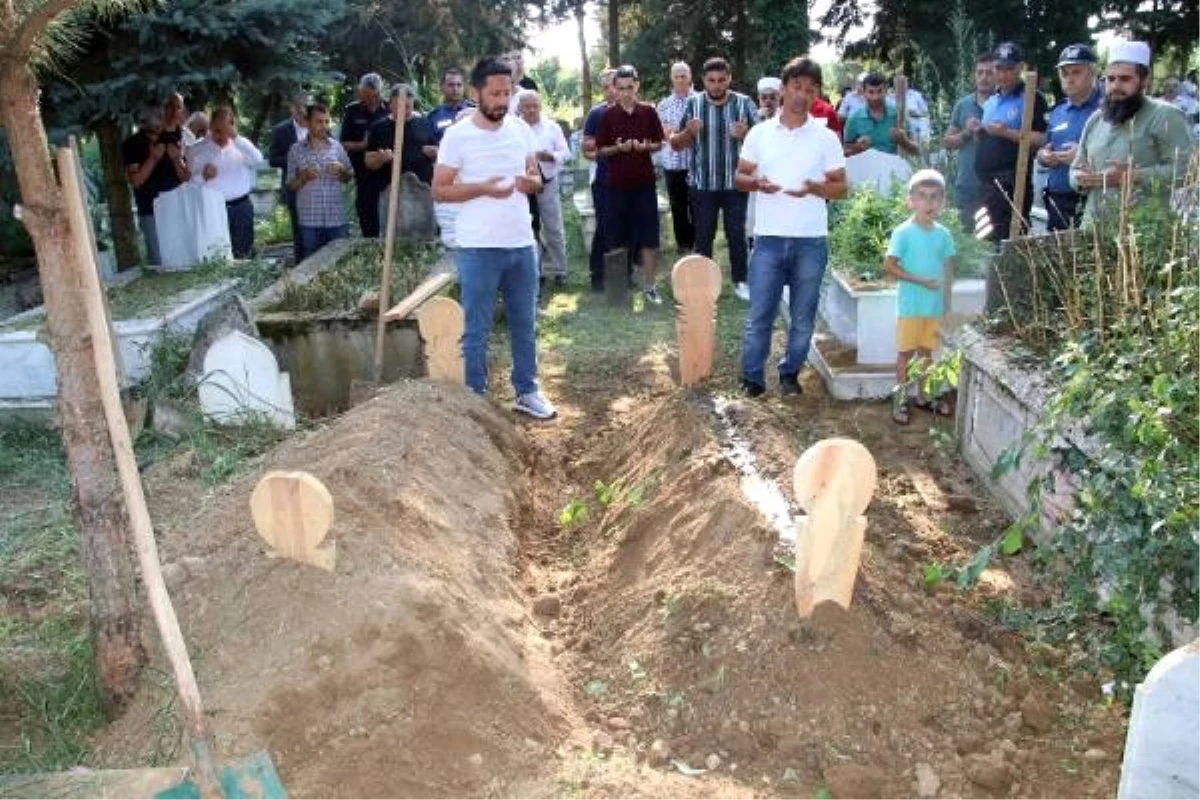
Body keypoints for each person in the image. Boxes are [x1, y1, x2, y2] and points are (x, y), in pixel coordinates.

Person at [432, 56, 556, 420]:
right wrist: (483, 188)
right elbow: (440, 190)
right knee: (477, 327)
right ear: (476, 93)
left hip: (521, 243)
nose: (503, 100)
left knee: (525, 323)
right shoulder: (457, 136)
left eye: (508, 92)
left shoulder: (519, 129)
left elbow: (535, 178)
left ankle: (527, 390)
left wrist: (527, 183)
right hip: (478, 247)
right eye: (496, 93)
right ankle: (475, 398)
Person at [734, 56, 847, 398]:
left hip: (811, 240)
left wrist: (814, 188)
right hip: (768, 239)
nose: (802, 95)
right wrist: (758, 185)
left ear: (817, 95)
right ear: (783, 89)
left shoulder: (826, 137)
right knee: (760, 316)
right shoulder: (760, 133)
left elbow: (841, 188)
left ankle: (789, 375)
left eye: (810, 89)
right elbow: (739, 177)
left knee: (802, 319)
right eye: (796, 87)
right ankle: (752, 378)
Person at [1071, 41, 1194, 225]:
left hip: (1143, 233)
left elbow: (1187, 172)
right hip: (1094, 230)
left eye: (1125, 79)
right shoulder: (1096, 119)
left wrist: (1133, 176)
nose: (1115, 86)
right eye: (1110, 79)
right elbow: (1075, 168)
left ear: (1145, 80)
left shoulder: (1165, 115)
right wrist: (1081, 179)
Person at [670, 56, 758, 300]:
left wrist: (746, 134)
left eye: (722, 80)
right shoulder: (693, 104)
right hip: (702, 184)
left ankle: (741, 281)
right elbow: (676, 144)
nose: (717, 85)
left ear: (729, 79)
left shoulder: (744, 103)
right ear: (703, 81)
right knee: (703, 235)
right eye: (712, 80)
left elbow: (763, 142)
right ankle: (703, 285)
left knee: (736, 234)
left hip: (735, 183)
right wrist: (689, 131)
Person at [883, 169, 956, 424]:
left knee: (926, 353)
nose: (929, 203)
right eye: (923, 197)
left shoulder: (943, 234)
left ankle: (924, 397)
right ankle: (901, 399)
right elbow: (889, 266)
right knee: (905, 354)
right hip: (911, 306)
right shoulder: (903, 232)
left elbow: (947, 268)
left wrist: (947, 303)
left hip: (933, 308)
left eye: (935, 197)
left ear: (943, 202)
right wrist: (920, 281)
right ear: (911, 201)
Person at [596, 65, 666, 304]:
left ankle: (649, 286)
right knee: (616, 237)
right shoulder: (607, 115)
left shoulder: (648, 112)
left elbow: (659, 143)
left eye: (630, 87)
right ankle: (618, 291)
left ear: (637, 86)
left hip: (644, 185)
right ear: (614, 88)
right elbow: (600, 150)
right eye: (621, 88)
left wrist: (646, 146)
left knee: (649, 236)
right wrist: (618, 148)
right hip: (615, 186)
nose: (626, 92)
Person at [975, 42, 1048, 242]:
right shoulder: (992, 100)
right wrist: (980, 130)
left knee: (1010, 240)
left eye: (1009, 69)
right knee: (985, 239)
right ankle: (989, 274)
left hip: (1011, 183)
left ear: (1020, 68)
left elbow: (1042, 138)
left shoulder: (1031, 97)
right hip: (985, 184)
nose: (1003, 74)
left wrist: (1007, 132)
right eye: (999, 68)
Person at [1037, 44, 1101, 231]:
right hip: (1057, 198)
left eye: (1076, 72)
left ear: (1092, 73)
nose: (1069, 79)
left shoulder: (1107, 109)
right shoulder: (1058, 111)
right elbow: (1045, 146)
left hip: (1091, 199)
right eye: (1065, 73)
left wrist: (1081, 157)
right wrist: (1043, 156)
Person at [186, 107, 264, 258]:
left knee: (244, 253)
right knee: (216, 254)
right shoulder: (197, 150)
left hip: (241, 206)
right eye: (217, 130)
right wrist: (203, 176)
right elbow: (191, 185)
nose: (221, 136)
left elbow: (258, 160)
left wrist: (235, 138)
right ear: (210, 127)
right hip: (212, 208)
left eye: (225, 130)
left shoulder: (241, 145)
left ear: (232, 126)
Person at [365, 85, 437, 234]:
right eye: (399, 106)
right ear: (390, 104)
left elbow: (441, 154)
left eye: (408, 106)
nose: (403, 110)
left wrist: (435, 152)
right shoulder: (378, 128)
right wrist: (380, 158)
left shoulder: (426, 124)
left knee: (424, 242)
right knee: (391, 239)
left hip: (422, 195)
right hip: (390, 195)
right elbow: (368, 162)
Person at [122, 103, 189, 265]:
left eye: (163, 116)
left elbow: (188, 177)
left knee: (184, 255)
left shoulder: (178, 137)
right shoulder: (132, 144)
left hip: (179, 206)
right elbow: (136, 181)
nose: (163, 120)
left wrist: (176, 159)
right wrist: (153, 158)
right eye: (158, 117)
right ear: (144, 122)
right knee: (160, 260)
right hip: (150, 209)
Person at [286, 103, 354, 262]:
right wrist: (303, 177)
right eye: (319, 121)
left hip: (336, 219)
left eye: (326, 121)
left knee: (341, 265)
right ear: (307, 123)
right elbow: (290, 184)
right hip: (310, 222)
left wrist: (342, 171)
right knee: (311, 267)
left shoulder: (337, 147)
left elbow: (350, 176)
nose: (324, 126)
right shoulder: (295, 150)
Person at [517, 90, 572, 287]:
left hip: (548, 182)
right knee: (530, 228)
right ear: (520, 108)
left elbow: (566, 152)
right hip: (523, 186)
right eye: (527, 106)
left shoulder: (551, 127)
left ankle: (560, 270)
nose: (531, 110)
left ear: (540, 106)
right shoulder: (515, 128)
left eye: (535, 106)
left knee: (553, 227)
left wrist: (552, 156)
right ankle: (536, 271)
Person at [944, 53, 995, 230]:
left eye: (989, 72)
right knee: (966, 242)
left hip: (995, 187)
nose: (984, 78)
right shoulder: (963, 104)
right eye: (980, 72)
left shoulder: (1003, 103)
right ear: (973, 75)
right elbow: (948, 143)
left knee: (992, 244)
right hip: (966, 184)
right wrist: (966, 132)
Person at [582, 68, 619, 291]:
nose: (610, 91)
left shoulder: (636, 111)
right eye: (605, 87)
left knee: (625, 227)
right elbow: (586, 149)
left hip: (631, 179)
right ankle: (598, 276)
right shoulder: (596, 114)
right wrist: (607, 151)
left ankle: (622, 275)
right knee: (604, 227)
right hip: (604, 179)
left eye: (613, 85)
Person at [340, 73, 390, 237]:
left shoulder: (390, 109)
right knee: (367, 215)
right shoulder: (352, 111)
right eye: (367, 96)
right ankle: (369, 245)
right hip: (363, 173)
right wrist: (363, 145)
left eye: (375, 95)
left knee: (388, 213)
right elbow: (344, 143)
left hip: (387, 173)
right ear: (360, 92)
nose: (372, 100)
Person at [657, 62, 696, 254]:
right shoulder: (664, 105)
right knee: (678, 207)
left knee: (697, 205)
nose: (680, 79)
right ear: (671, 78)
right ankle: (683, 244)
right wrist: (685, 132)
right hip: (673, 163)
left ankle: (698, 242)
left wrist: (678, 132)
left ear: (690, 77)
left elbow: (701, 132)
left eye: (684, 75)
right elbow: (664, 133)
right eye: (677, 76)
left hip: (696, 163)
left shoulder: (701, 100)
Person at [269, 93, 311, 263]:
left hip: (318, 184)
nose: (303, 112)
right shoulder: (281, 130)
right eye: (299, 108)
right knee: (299, 227)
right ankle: (301, 263)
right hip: (295, 185)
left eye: (306, 108)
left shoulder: (318, 125)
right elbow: (273, 159)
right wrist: (293, 160)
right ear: (292, 109)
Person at [843, 73, 917, 157]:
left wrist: (903, 141)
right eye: (871, 92)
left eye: (879, 91)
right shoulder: (854, 118)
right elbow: (845, 151)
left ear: (886, 91)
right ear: (863, 93)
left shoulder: (898, 115)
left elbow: (916, 151)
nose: (876, 97)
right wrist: (858, 147)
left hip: (893, 167)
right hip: (865, 168)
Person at [427, 68, 473, 144]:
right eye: (451, 85)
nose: (455, 89)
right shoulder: (434, 116)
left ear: (464, 87)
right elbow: (429, 144)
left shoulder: (474, 112)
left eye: (459, 85)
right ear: (442, 87)